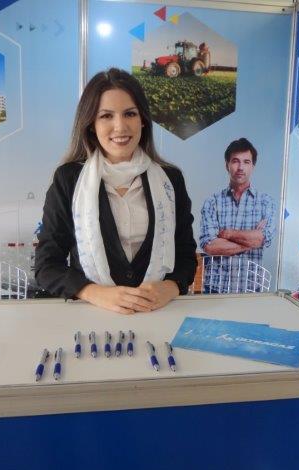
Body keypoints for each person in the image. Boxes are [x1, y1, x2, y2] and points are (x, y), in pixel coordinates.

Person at [34, 68, 197, 314]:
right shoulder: (68, 179)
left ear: (143, 120)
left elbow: (185, 255)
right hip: (93, 315)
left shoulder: (170, 180)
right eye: (106, 116)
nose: (120, 127)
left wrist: (171, 287)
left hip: (158, 313)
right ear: (91, 124)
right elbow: (47, 266)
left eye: (130, 114)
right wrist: (94, 292)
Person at [199, 138, 276, 293]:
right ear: (227, 165)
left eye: (246, 162)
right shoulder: (212, 203)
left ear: (253, 166)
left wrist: (228, 234)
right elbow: (210, 246)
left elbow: (262, 238)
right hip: (215, 289)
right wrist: (251, 241)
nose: (240, 167)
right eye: (235, 161)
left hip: (250, 290)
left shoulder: (266, 202)